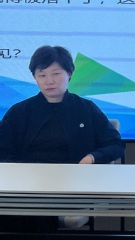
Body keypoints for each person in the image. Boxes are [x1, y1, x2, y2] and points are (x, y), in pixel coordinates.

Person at [0, 45, 125, 233]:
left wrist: (91, 158)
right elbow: (3, 151)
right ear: (35, 77)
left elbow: (115, 144)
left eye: (56, 74)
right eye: (42, 75)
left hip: (72, 185)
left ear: (70, 73)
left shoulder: (86, 108)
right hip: (26, 185)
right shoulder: (20, 112)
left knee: (38, 210)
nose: (49, 81)